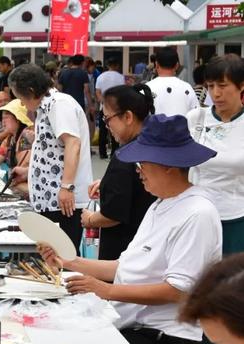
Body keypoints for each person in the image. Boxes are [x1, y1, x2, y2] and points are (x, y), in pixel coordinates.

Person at [39, 114, 222, 344]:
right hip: (133, 324)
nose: (138, 172)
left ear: (167, 166)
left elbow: (178, 290)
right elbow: (124, 267)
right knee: (56, 337)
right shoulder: (160, 204)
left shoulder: (197, 213)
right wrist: (70, 261)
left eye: (142, 164)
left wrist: (106, 290)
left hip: (166, 337)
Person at [187, 54, 244, 344]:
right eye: (210, 86)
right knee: (199, 296)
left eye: (223, 85)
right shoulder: (195, 118)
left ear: (240, 88)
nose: (216, 93)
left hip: (235, 219)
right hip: (197, 217)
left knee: (229, 300)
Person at [9, 64, 94, 250]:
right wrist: (28, 171)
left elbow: (73, 144)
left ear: (31, 91)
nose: (22, 104)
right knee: (52, 256)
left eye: (21, 98)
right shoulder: (46, 106)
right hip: (52, 199)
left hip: (62, 201)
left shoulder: (59, 104)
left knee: (63, 257)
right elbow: (52, 151)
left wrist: (66, 186)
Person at [82, 84, 157, 260]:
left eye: (108, 119)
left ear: (128, 116)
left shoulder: (126, 155)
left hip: (125, 247)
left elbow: (113, 215)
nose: (107, 126)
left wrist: (90, 219)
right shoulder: (152, 145)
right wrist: (107, 183)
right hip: (149, 243)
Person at [147, 47, 198, 117]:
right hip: (182, 127)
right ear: (177, 66)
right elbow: (196, 116)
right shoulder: (187, 88)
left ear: (156, 65)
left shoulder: (147, 88)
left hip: (153, 128)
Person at [95, 57, 125, 160]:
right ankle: (114, 153)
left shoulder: (101, 77)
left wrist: (104, 102)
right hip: (117, 107)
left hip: (104, 107)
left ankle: (102, 153)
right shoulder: (120, 77)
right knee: (115, 129)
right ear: (117, 65)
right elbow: (122, 92)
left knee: (103, 130)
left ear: (108, 65)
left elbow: (98, 93)